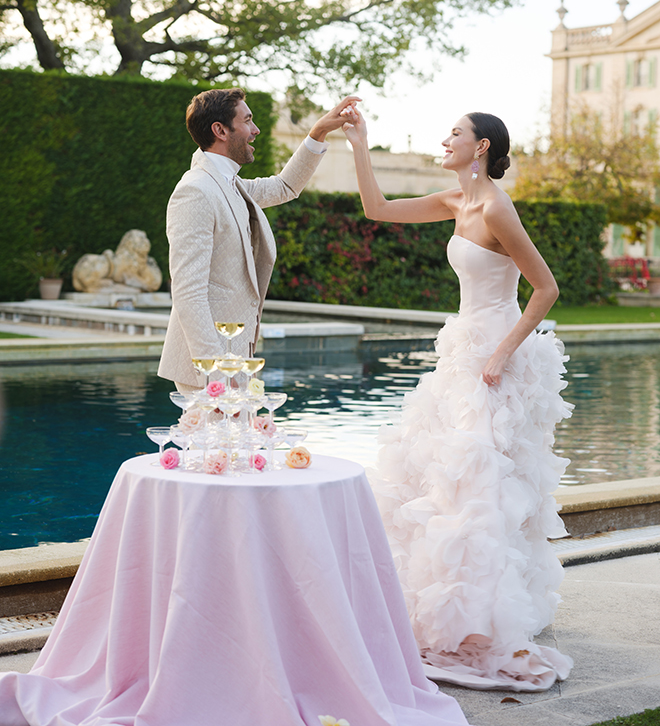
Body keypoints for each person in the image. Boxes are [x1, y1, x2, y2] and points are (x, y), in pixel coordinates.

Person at [340, 104, 574, 692]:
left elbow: (545, 289)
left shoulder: (496, 205)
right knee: (440, 476)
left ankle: (482, 618)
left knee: (480, 485)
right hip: (460, 351)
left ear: (483, 147)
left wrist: (502, 354)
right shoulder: (452, 200)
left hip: (494, 358)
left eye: (456, 133)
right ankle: (449, 609)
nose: (446, 139)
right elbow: (376, 209)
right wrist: (360, 144)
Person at [159, 89, 359, 391]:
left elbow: (285, 186)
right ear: (220, 130)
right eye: (248, 121)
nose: (256, 130)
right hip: (208, 370)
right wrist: (217, 376)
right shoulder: (196, 191)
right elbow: (188, 293)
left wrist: (318, 132)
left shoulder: (229, 184)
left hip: (234, 360)